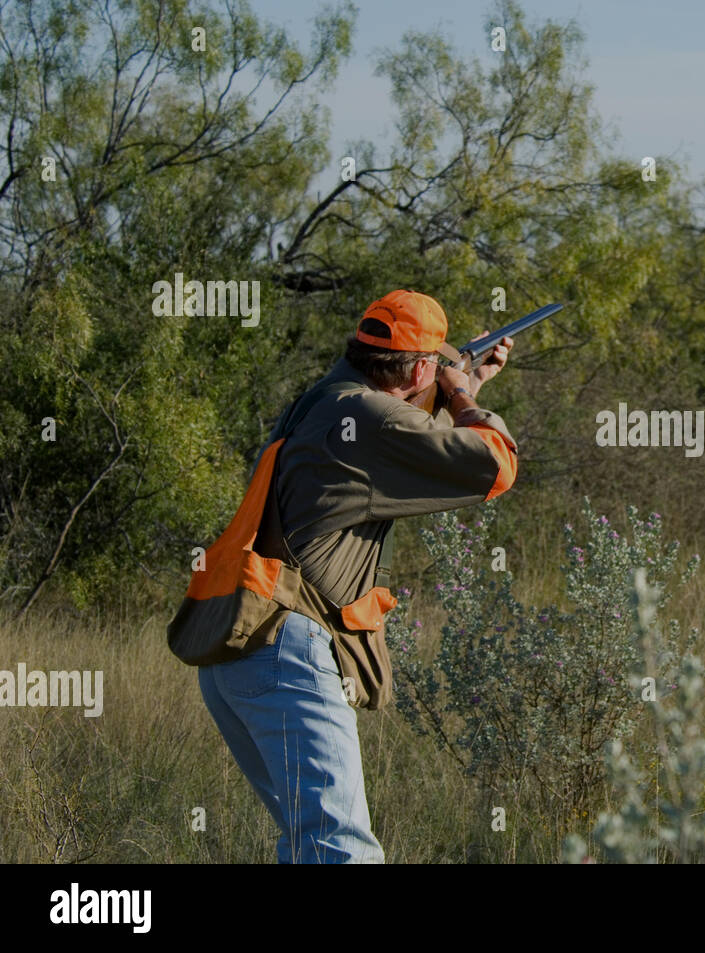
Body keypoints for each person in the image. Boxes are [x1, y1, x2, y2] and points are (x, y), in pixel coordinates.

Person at [196, 289, 517, 863]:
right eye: (437, 363)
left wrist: (467, 386)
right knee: (341, 851)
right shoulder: (367, 414)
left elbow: (395, 434)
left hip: (243, 648)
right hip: (286, 651)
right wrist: (464, 395)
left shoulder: (326, 398)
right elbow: (492, 465)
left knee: (309, 846)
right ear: (421, 368)